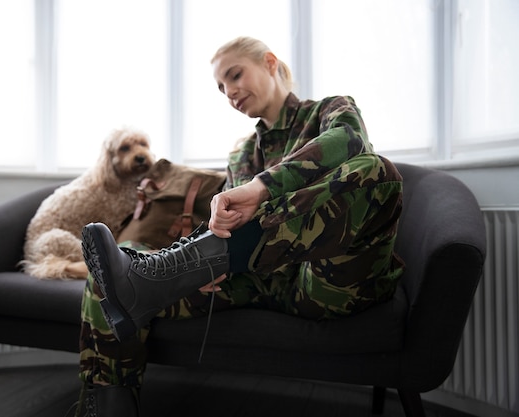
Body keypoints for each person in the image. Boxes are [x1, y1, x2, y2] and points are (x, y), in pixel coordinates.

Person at [73, 36, 405, 416]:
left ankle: (206, 259)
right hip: (259, 280)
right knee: (112, 273)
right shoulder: (243, 153)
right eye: (221, 87)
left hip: (329, 279)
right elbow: (232, 221)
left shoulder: (331, 111)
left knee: (377, 170)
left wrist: (262, 187)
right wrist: (215, 251)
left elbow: (349, 142)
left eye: (234, 75)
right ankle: (108, 408)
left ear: (268, 62)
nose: (229, 91)